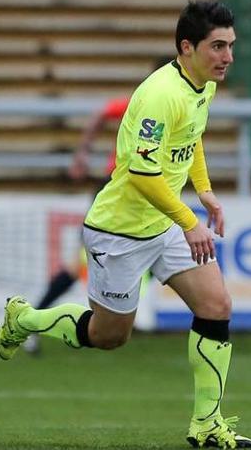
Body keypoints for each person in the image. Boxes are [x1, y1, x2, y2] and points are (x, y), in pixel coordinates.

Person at [0, 0, 251, 449]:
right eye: (218, 46)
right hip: (119, 231)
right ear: (186, 47)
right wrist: (190, 218)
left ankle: (206, 426)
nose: (228, 57)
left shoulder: (203, 86)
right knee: (109, 335)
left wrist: (204, 188)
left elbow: (189, 140)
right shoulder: (159, 95)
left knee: (216, 305)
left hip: (165, 222)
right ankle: (26, 317)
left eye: (230, 46)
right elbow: (141, 173)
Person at [23, 58, 170, 356]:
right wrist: (82, 153)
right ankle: (31, 321)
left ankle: (125, 312)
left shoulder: (179, 108)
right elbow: (102, 113)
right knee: (78, 265)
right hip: (117, 194)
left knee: (159, 252)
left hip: (148, 196)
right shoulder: (143, 104)